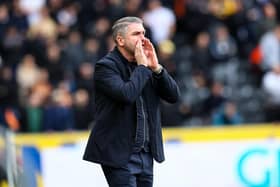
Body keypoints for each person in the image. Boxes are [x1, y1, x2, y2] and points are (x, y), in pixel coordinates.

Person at [83, 16, 180, 187]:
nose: (142, 38)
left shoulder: (146, 64)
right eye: (136, 34)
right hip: (119, 154)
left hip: (146, 153)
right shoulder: (106, 66)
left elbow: (173, 96)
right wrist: (143, 67)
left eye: (143, 33)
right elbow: (127, 94)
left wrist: (156, 68)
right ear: (120, 40)